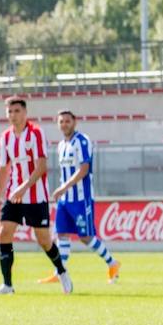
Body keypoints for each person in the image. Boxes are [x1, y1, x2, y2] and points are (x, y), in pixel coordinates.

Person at [0, 96, 71, 296]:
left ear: (25, 113)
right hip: (13, 194)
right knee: (4, 232)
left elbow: (42, 166)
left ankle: (62, 271)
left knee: (43, 239)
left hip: (35, 195)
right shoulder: (5, 138)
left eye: (17, 111)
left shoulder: (35, 133)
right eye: (10, 111)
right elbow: (2, 169)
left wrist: (24, 187)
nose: (13, 115)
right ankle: (7, 285)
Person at [42, 110, 121, 284]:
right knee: (61, 234)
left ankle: (112, 263)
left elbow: (84, 169)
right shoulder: (61, 145)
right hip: (65, 199)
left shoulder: (82, 141)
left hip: (80, 198)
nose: (64, 124)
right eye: (61, 121)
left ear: (74, 122)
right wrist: (62, 190)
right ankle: (59, 272)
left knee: (85, 237)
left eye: (67, 121)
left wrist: (63, 187)